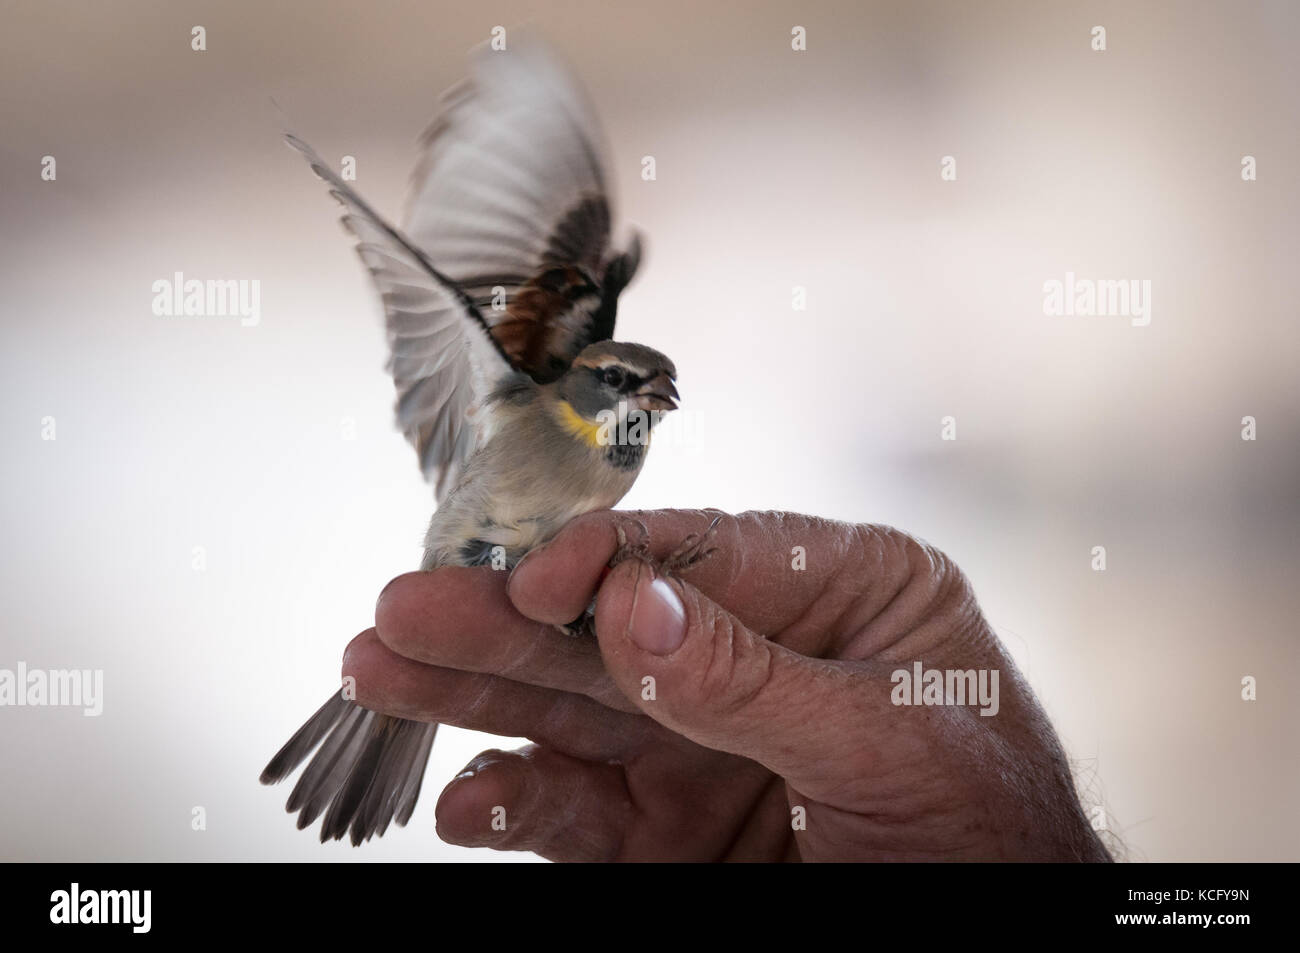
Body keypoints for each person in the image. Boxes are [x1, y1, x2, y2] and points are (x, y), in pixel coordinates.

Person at [341, 508, 1113, 861]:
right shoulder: (530, 394)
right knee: (447, 632)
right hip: (471, 591)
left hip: (520, 608)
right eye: (630, 391)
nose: (651, 412)